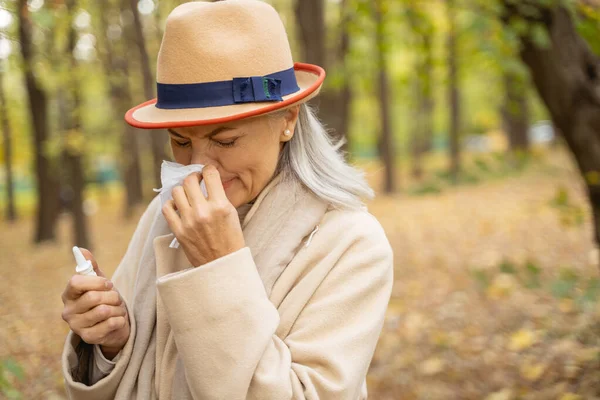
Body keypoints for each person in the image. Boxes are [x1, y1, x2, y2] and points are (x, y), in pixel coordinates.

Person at [60, 0, 393, 398]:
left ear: (286, 121)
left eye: (226, 140)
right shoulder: (164, 214)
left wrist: (218, 268)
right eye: (181, 142)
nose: (201, 169)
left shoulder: (352, 243)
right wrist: (111, 342)